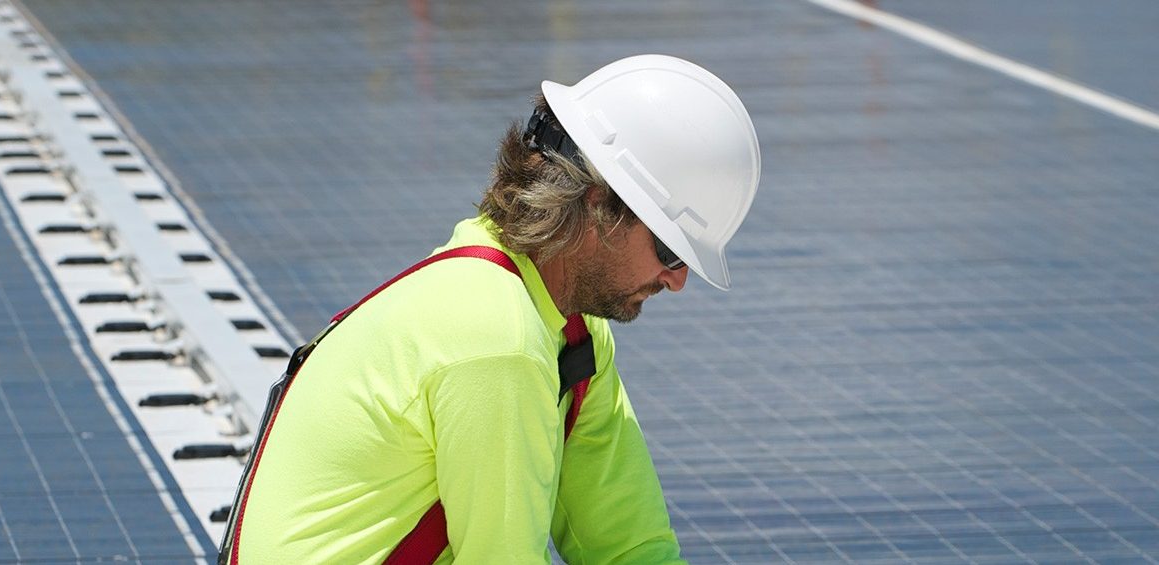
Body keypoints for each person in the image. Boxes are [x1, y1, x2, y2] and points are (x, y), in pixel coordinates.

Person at [218, 54, 761, 564]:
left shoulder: (569, 336)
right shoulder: (495, 340)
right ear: (600, 208)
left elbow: (627, 545)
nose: (679, 279)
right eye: (670, 250)